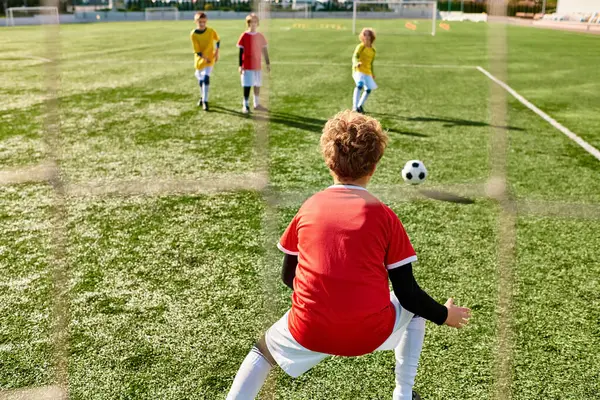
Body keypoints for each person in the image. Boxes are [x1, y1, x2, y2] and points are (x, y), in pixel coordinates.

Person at [226, 110, 471, 400]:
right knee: (416, 308)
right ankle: (403, 394)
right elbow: (408, 294)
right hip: (368, 333)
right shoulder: (385, 217)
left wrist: (326, 298)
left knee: (262, 351)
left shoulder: (309, 207)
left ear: (328, 161)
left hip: (309, 329)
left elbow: (287, 276)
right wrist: (445, 315)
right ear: (375, 165)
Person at [237, 13, 270, 114]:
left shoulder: (260, 36)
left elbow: (264, 50)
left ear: (257, 23)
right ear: (248, 23)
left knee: (257, 84)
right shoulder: (244, 36)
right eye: (251, 22)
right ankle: (245, 104)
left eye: (255, 22)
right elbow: (241, 52)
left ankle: (256, 104)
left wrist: (268, 63)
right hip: (247, 65)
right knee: (247, 85)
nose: (253, 24)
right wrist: (240, 65)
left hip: (257, 65)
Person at [190, 12, 220, 111]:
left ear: (206, 21)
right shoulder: (193, 34)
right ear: (195, 21)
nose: (202, 24)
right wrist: (204, 58)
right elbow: (197, 51)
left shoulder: (211, 31)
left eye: (204, 21)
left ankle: (205, 101)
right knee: (201, 80)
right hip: (200, 60)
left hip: (210, 59)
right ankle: (202, 96)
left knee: (206, 78)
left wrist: (217, 52)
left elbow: (218, 40)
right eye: (200, 22)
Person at [353, 28, 377, 113]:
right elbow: (355, 56)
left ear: (371, 37)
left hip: (368, 71)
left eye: (368, 34)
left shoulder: (373, 50)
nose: (366, 36)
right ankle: (355, 107)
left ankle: (360, 105)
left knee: (368, 90)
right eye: (364, 34)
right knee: (359, 85)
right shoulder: (360, 46)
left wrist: (372, 73)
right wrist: (356, 63)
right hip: (358, 70)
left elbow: (371, 63)